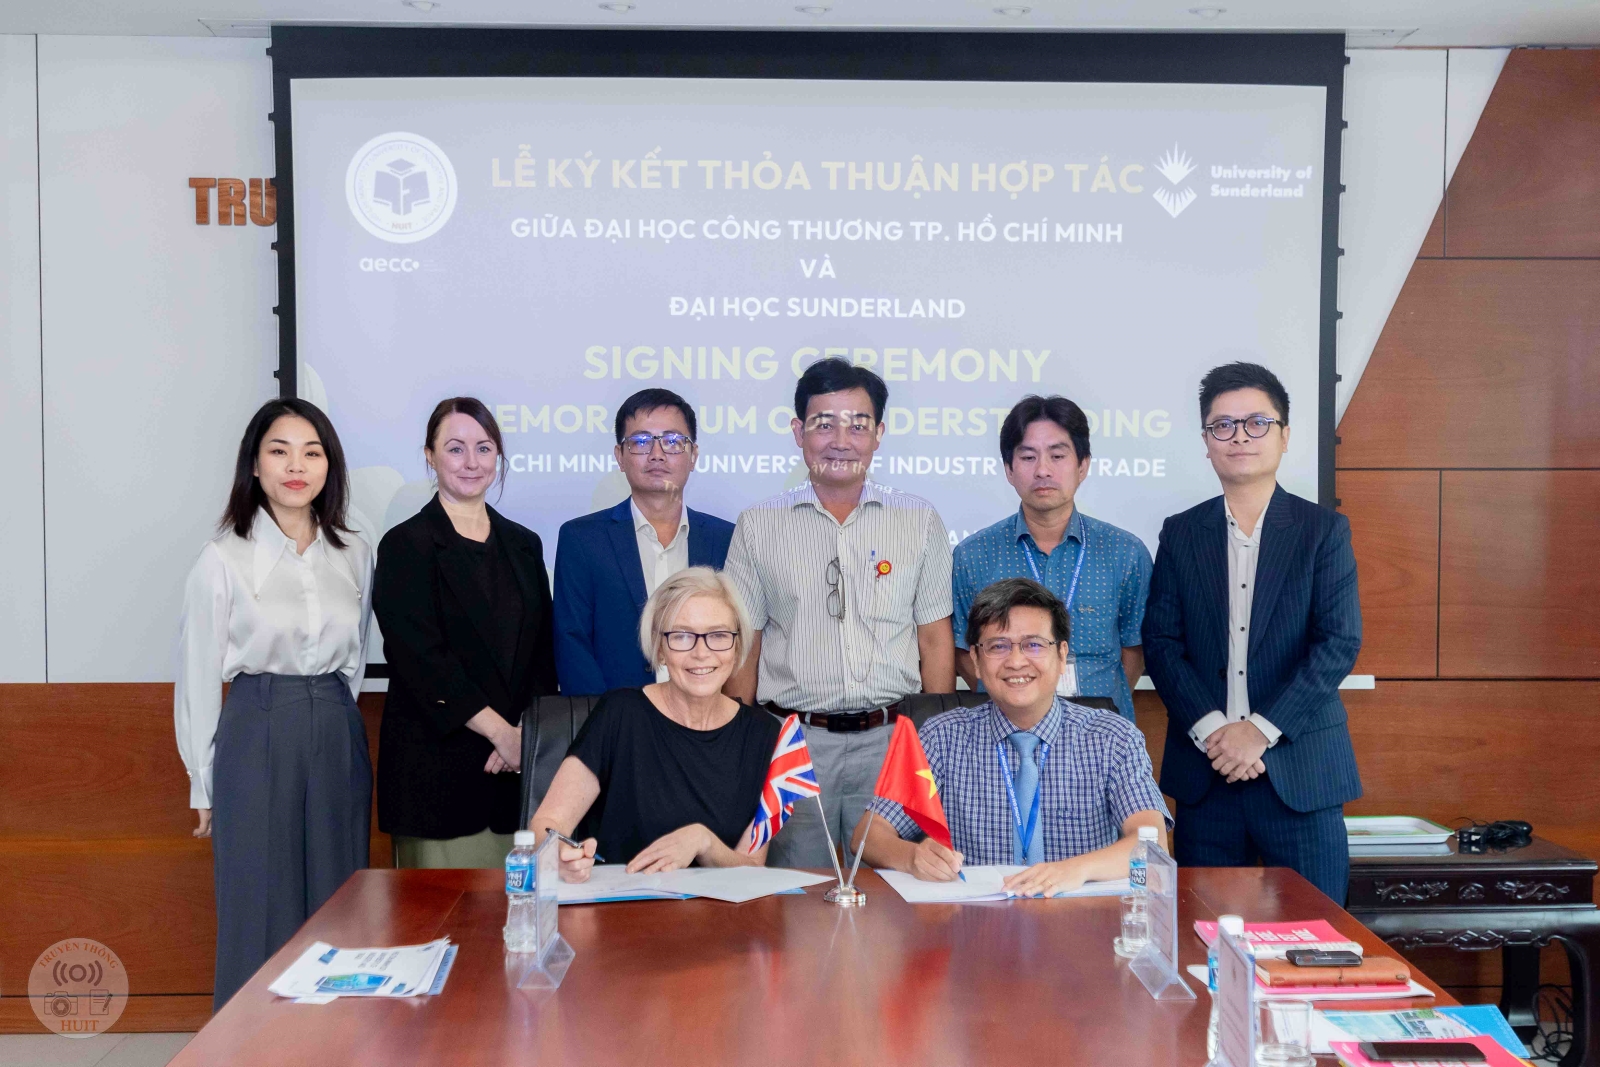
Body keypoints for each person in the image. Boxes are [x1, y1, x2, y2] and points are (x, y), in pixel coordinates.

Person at [175, 397, 374, 1009]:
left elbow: (356, 660)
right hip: (258, 724)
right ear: (255, 464)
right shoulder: (223, 557)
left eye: (312, 453)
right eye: (279, 451)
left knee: (338, 895)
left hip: (335, 723)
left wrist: (331, 715)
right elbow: (198, 672)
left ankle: (336, 1042)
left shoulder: (354, 550)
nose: (296, 466)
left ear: (329, 466)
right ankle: (251, 1042)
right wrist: (202, 780)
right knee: (259, 896)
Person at [723, 357, 956, 868]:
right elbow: (746, 642)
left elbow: (935, 639)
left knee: (894, 890)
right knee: (797, 891)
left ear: (879, 434)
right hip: (795, 745)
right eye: (824, 423)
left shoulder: (918, 520)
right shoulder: (759, 525)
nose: (840, 440)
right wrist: (741, 741)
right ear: (798, 432)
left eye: (858, 424)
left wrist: (931, 736)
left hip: (893, 741)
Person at [1142, 362, 1362, 902]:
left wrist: (1259, 731)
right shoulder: (1181, 533)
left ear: (1284, 436)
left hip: (1300, 774)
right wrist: (1217, 732)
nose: (1239, 436)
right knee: (1203, 936)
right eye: (1223, 425)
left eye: (1257, 423)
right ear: (1206, 441)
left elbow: (1337, 643)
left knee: (1313, 936)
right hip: (1207, 776)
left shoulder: (1323, 531)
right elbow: (1162, 645)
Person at [852, 578, 1169, 895]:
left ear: (1062, 655)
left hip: (1078, 913)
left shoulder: (1113, 738)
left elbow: (1152, 844)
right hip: (975, 915)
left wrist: (1076, 869)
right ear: (976, 660)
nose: (1016, 661)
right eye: (998, 646)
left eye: (1034, 645)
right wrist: (912, 857)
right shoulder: (941, 737)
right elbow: (868, 835)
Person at [373, 397, 557, 869]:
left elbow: (542, 654)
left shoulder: (524, 544)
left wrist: (525, 735)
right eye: (455, 448)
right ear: (430, 457)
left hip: (518, 778)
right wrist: (502, 735)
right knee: (441, 913)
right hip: (438, 779)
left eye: (484, 448)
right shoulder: (405, 544)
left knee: (522, 912)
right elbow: (422, 661)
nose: (471, 462)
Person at [531, 567, 781, 878]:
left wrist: (703, 842)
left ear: (738, 646)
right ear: (660, 649)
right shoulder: (619, 713)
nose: (701, 653)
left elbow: (753, 869)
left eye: (718, 635)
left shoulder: (763, 733)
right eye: (682, 636)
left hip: (716, 909)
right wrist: (561, 858)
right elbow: (545, 825)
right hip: (623, 902)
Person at [951, 395, 1153, 724]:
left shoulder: (1125, 552)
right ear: (1009, 469)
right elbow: (964, 650)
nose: (1043, 470)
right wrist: (1014, 698)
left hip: (1100, 731)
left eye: (1057, 456)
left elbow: (1134, 650)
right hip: (1003, 731)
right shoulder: (974, 556)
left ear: (1083, 465)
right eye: (1028, 457)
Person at [553, 388, 735, 694]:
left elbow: (738, 639)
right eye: (640, 442)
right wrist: (607, 719)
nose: (657, 454)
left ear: (693, 455)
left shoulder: (726, 538)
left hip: (708, 713)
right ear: (620, 456)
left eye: (673, 441)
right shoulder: (582, 539)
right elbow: (571, 643)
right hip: (615, 715)